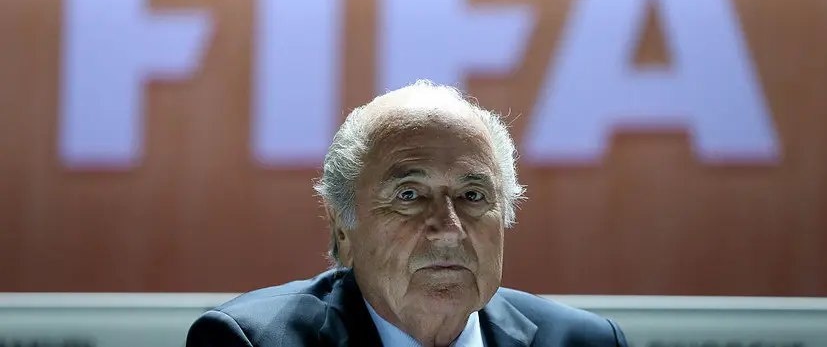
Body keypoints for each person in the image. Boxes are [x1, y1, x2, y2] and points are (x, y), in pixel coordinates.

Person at [187, 80, 628, 347]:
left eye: (473, 196)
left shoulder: (587, 341)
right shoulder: (250, 341)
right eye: (410, 195)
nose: (448, 230)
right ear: (343, 229)